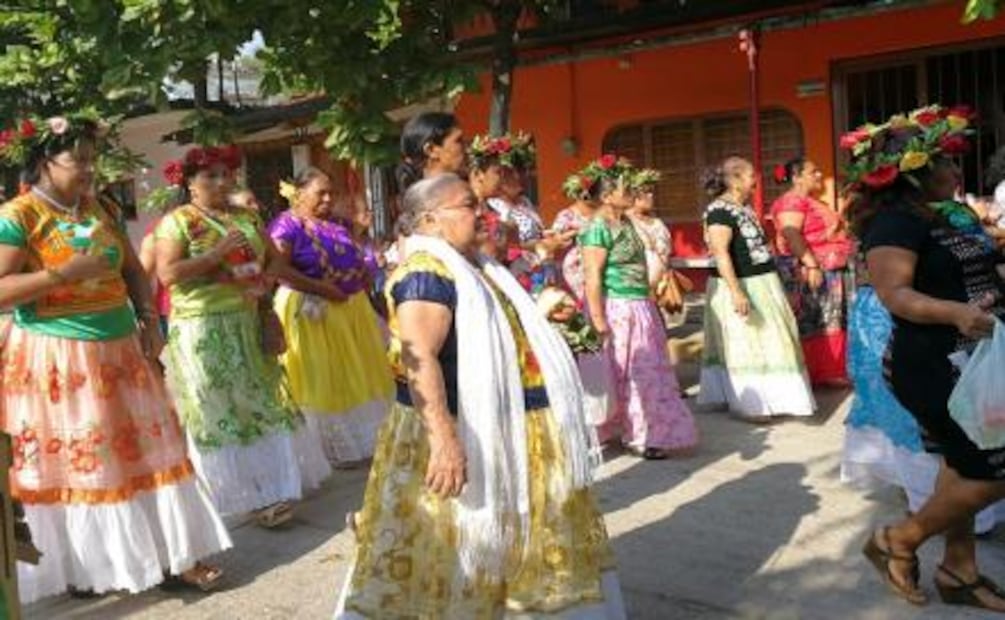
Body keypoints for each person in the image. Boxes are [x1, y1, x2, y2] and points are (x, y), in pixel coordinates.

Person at [335, 174, 625, 618]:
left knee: (520, 547)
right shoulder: (424, 274)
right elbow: (420, 360)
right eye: (469, 206)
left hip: (512, 428)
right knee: (452, 548)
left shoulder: (473, 267)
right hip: (462, 432)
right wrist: (446, 443)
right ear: (431, 219)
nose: (482, 214)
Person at [0, 113, 230, 601]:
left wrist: (149, 319)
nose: (89, 170)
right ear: (45, 162)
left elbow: (132, 268)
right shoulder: (18, 216)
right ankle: (88, 568)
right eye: (77, 161)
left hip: (122, 349)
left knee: (147, 451)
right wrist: (60, 275)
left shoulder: (99, 206)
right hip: (60, 358)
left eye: (92, 159)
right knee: (88, 461)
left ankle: (169, 557)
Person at [851, 105, 1005, 610]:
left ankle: (959, 572)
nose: (959, 173)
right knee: (990, 470)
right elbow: (896, 294)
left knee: (960, 466)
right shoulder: (893, 223)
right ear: (915, 172)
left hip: (977, 358)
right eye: (948, 164)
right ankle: (898, 540)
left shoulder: (948, 215)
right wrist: (955, 313)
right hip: (934, 364)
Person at [155, 145, 331, 527]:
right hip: (204, 327)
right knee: (217, 408)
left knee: (259, 403)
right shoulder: (178, 222)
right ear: (190, 184)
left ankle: (271, 490)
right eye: (209, 177)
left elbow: (275, 257)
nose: (221, 182)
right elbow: (167, 274)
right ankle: (233, 497)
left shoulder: (247, 216)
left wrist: (266, 287)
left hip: (249, 320)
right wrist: (215, 254)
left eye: (225, 175)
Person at [269, 168, 393, 467]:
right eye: (320, 193)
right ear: (298, 194)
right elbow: (277, 269)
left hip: (349, 309)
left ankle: (361, 443)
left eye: (330, 193)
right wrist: (320, 288)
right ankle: (328, 449)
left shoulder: (335, 226)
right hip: (313, 308)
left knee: (354, 373)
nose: (328, 198)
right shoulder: (286, 226)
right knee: (321, 376)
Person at [579, 155, 698, 459]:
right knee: (626, 373)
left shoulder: (629, 223)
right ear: (606, 196)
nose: (631, 191)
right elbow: (592, 275)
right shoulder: (597, 228)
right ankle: (639, 435)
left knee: (648, 373)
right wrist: (597, 318)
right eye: (623, 187)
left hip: (640, 305)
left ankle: (646, 432)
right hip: (617, 307)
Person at [698, 156, 815, 420]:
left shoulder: (746, 208)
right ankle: (749, 404)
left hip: (763, 282)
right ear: (735, 180)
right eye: (751, 175)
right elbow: (720, 253)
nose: (755, 180)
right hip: (740, 284)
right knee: (746, 342)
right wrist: (736, 292)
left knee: (772, 339)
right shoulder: (719, 211)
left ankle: (773, 399)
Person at [770, 157, 854, 386]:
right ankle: (819, 372)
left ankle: (830, 370)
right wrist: (811, 264)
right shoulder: (791, 201)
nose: (819, 175)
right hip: (811, 269)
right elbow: (791, 234)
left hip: (829, 268)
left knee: (831, 319)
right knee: (815, 319)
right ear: (796, 178)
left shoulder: (810, 201)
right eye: (813, 171)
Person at [553, 172, 601, 302]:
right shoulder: (566, 215)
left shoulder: (600, 213)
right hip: (575, 267)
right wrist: (576, 232)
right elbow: (556, 240)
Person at [396, 112, 467, 193]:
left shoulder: (457, 189)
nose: (466, 147)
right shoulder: (435, 199)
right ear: (431, 150)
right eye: (458, 141)